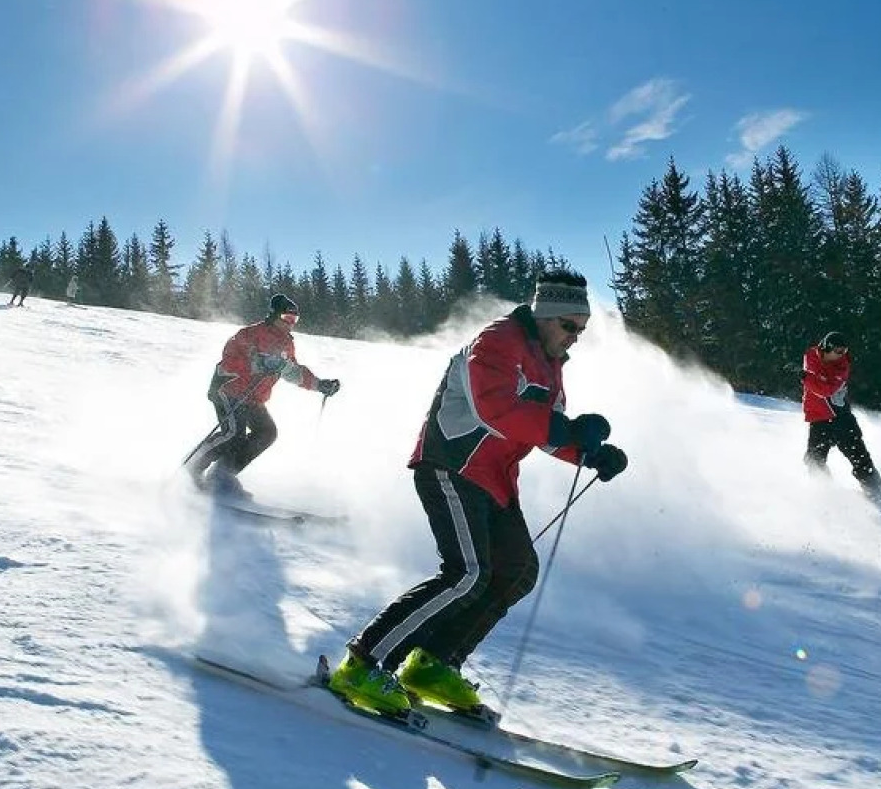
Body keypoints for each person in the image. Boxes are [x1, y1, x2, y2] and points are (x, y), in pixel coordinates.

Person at [328, 269, 628, 716]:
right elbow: (496, 410)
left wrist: (588, 454)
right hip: (451, 465)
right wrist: (565, 427)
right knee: (466, 573)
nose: (575, 337)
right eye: (569, 326)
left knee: (517, 571)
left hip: (495, 481)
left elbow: (547, 432)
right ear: (544, 315)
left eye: (581, 330)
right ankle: (362, 663)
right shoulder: (497, 343)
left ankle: (432, 665)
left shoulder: (551, 364)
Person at [185, 293, 340, 498]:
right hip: (228, 390)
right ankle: (190, 471)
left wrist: (320, 384)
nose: (291, 324)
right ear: (274, 316)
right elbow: (229, 360)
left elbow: (293, 372)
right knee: (233, 434)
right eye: (287, 318)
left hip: (253, 397)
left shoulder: (286, 343)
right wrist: (257, 363)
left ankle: (222, 476)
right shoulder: (251, 334)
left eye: (295, 320)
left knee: (267, 433)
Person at [801, 331, 881, 491]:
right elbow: (815, 376)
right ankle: (824, 491)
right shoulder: (811, 354)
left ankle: (876, 491)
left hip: (841, 418)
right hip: (819, 419)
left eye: (844, 351)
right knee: (814, 460)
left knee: (859, 458)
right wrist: (814, 378)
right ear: (825, 348)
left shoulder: (842, 366)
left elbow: (826, 390)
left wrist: (807, 378)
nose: (841, 355)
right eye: (838, 351)